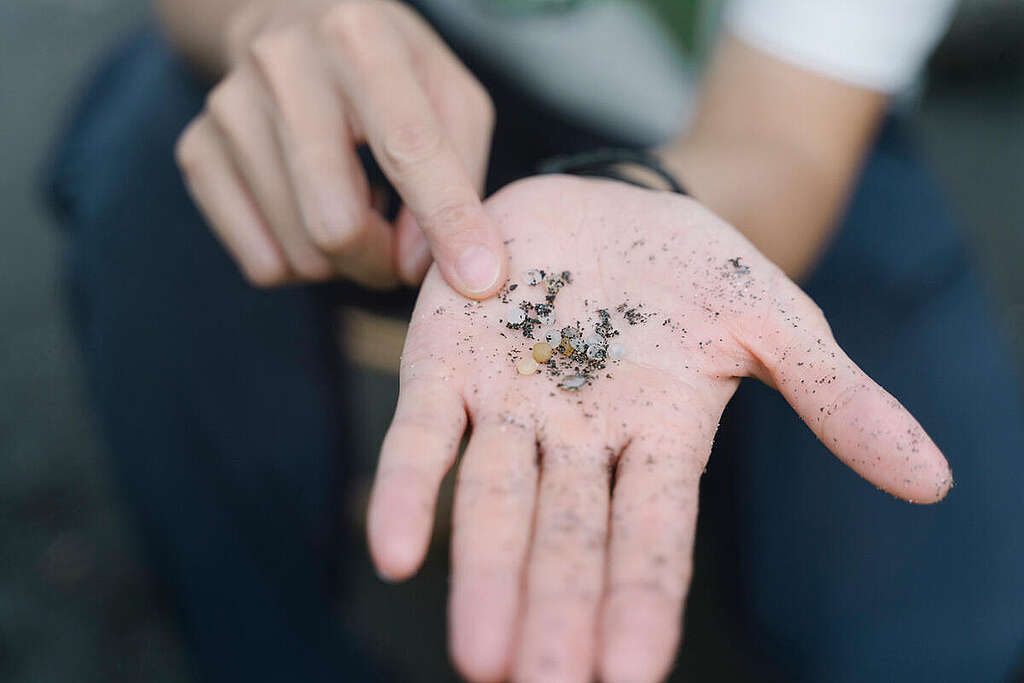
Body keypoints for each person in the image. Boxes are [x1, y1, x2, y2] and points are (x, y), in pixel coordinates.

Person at [47, 0, 1024, 681]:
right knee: (150, 158)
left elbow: (785, 145)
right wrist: (274, 20)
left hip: (731, 157)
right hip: (421, 87)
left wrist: (639, 200)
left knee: (935, 636)